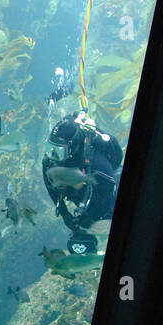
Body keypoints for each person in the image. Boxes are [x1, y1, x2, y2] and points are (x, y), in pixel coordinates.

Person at [41, 109, 123, 257]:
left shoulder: (95, 161)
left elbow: (107, 187)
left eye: (58, 151)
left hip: (106, 185)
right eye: (49, 149)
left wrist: (89, 218)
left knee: (109, 209)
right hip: (84, 188)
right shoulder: (50, 161)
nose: (52, 155)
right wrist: (64, 213)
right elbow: (49, 184)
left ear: (72, 147)